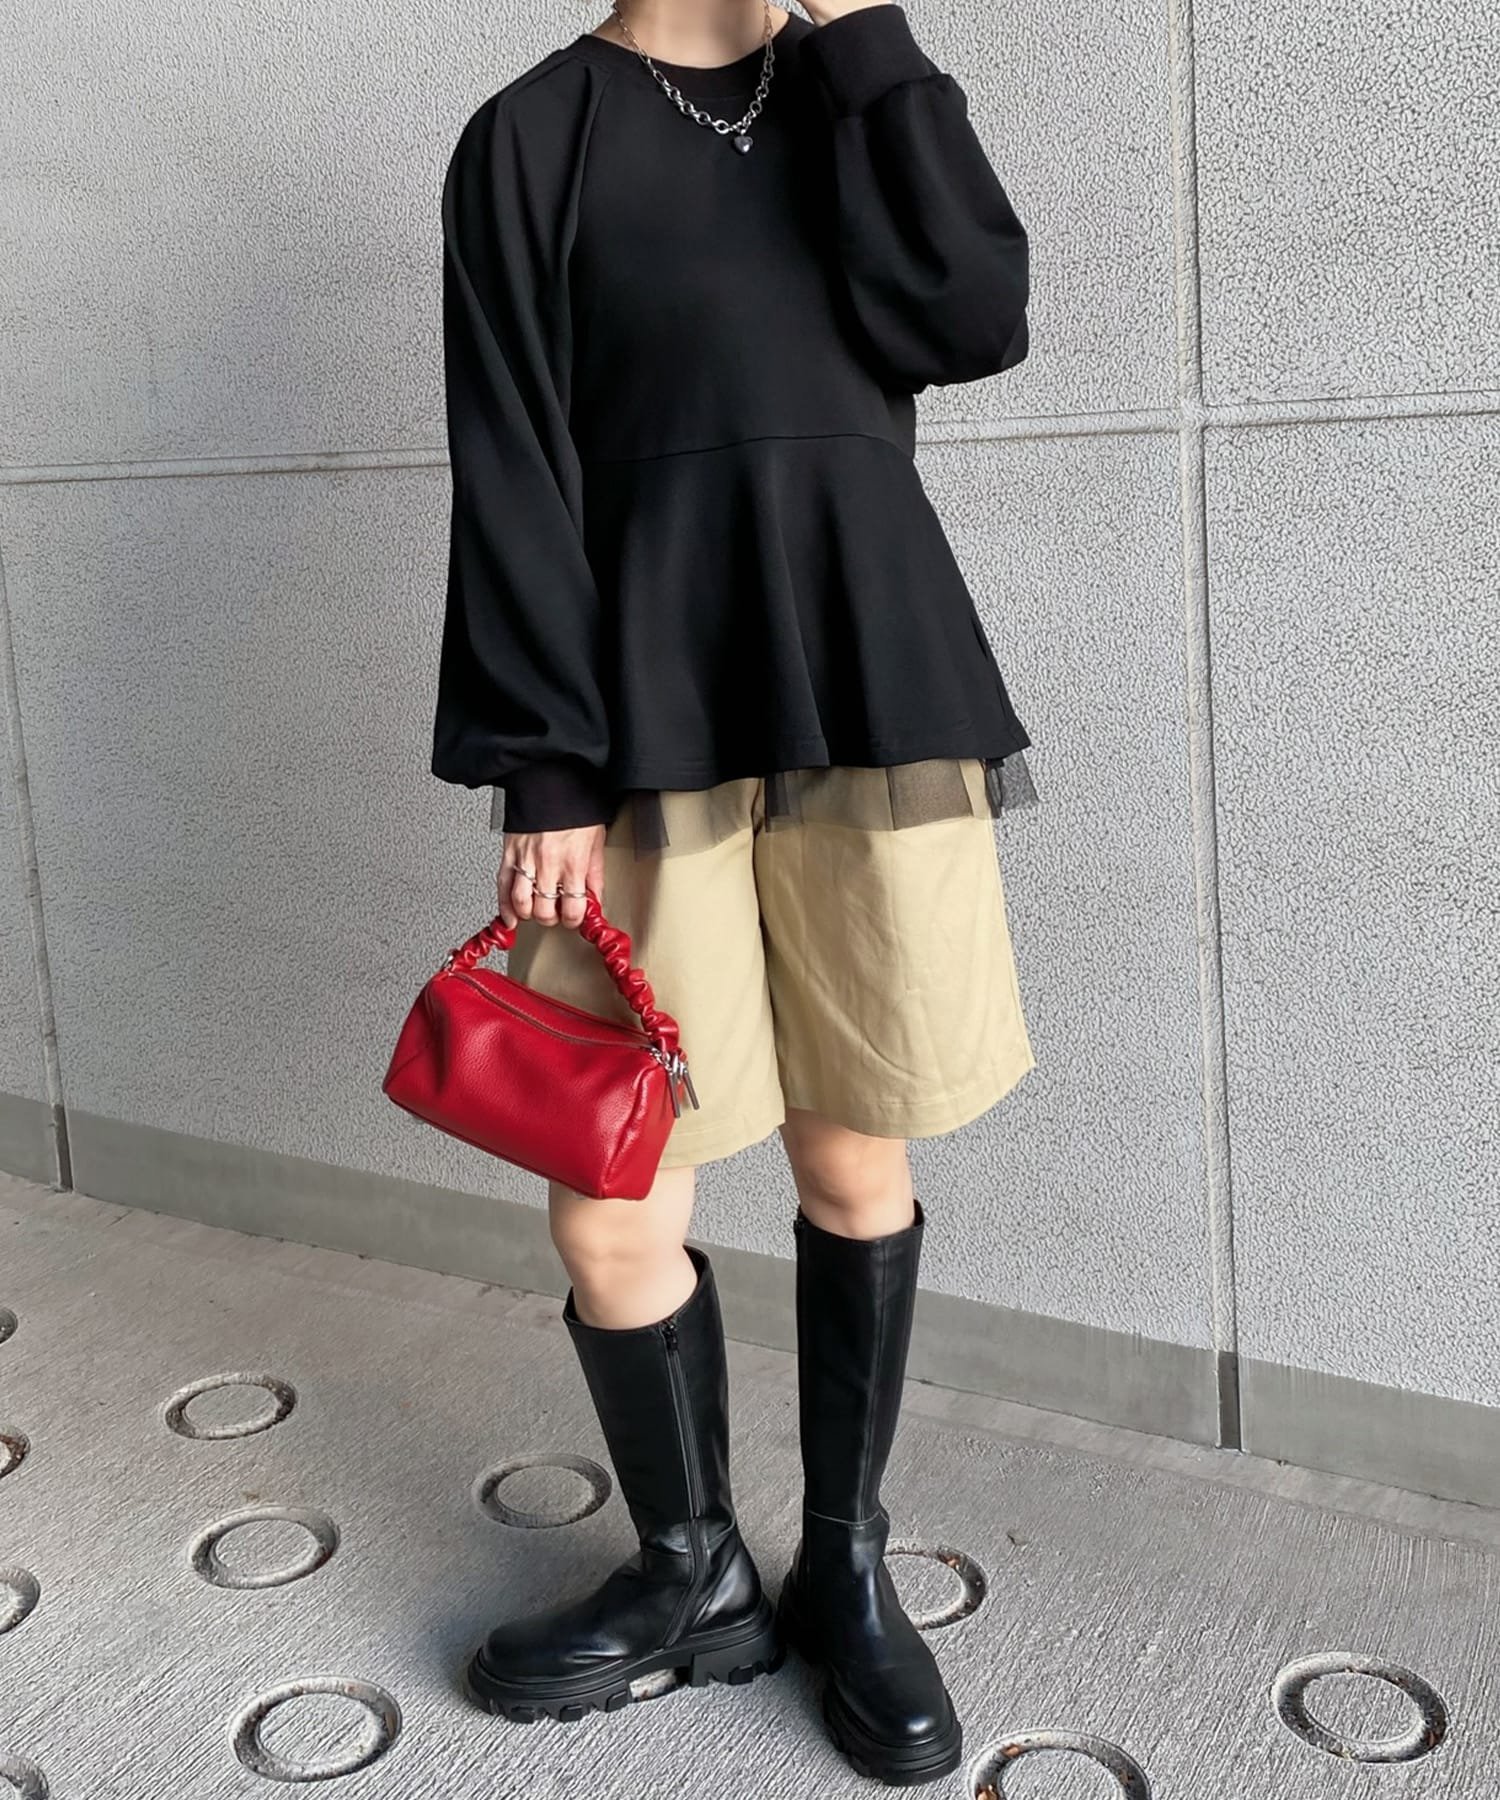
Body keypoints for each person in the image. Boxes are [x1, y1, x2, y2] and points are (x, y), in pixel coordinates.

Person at [432, 0, 1036, 1782]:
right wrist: (545, 766)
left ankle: (844, 1565)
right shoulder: (533, 135)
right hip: (638, 716)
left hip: (869, 693)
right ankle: (693, 1570)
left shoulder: (860, 93)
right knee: (616, 1193)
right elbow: (510, 450)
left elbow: (975, 318)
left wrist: (868, 42)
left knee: (857, 1158)